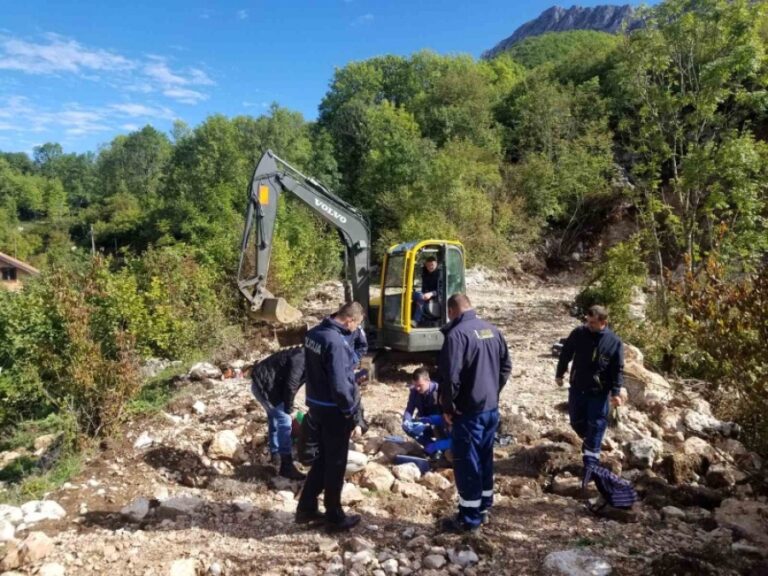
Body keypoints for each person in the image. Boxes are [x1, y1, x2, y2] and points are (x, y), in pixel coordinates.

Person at [437, 293, 512, 532]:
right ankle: (483, 507)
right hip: (490, 409)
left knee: (467, 462)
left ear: (451, 311)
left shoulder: (456, 335)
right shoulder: (492, 330)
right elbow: (506, 367)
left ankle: (469, 519)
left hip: (469, 412)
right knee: (484, 458)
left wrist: (449, 407)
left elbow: (451, 377)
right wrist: (492, 390)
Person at [296, 302, 364, 532]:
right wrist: (351, 413)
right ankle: (334, 515)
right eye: (356, 326)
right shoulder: (335, 342)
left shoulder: (314, 333)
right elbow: (340, 385)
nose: (355, 331)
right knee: (336, 463)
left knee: (322, 459)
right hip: (334, 409)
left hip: (316, 404)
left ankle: (306, 507)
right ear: (349, 321)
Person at [555, 305, 625, 479]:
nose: (589, 325)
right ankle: (590, 442)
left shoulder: (614, 342)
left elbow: (617, 369)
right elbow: (566, 353)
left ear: (603, 322)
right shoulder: (579, 333)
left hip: (599, 392)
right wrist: (560, 373)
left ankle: (590, 467)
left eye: (593, 323)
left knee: (597, 424)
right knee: (576, 421)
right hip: (578, 387)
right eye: (587, 321)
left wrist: (616, 392)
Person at [250, 346, 307, 480]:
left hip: (270, 385)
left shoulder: (309, 356)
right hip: (262, 385)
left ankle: (275, 456)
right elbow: (291, 384)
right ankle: (286, 466)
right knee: (285, 420)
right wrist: (289, 408)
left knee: (274, 419)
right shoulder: (301, 358)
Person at [401, 367, 450, 456]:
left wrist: (431, 421)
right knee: (408, 428)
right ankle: (432, 451)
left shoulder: (440, 391)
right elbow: (409, 409)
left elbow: (447, 416)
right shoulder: (414, 391)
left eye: (420, 385)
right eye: (415, 385)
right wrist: (406, 421)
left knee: (442, 433)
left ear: (428, 381)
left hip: (440, 424)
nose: (417, 388)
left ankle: (443, 451)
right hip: (424, 422)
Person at [412, 255, 440, 326]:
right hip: (425, 294)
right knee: (410, 294)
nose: (430, 267)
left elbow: (442, 289)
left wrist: (431, 293)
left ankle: (416, 320)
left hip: (437, 296)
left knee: (421, 298)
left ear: (436, 263)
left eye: (432, 265)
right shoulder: (425, 273)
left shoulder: (440, 274)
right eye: (428, 265)